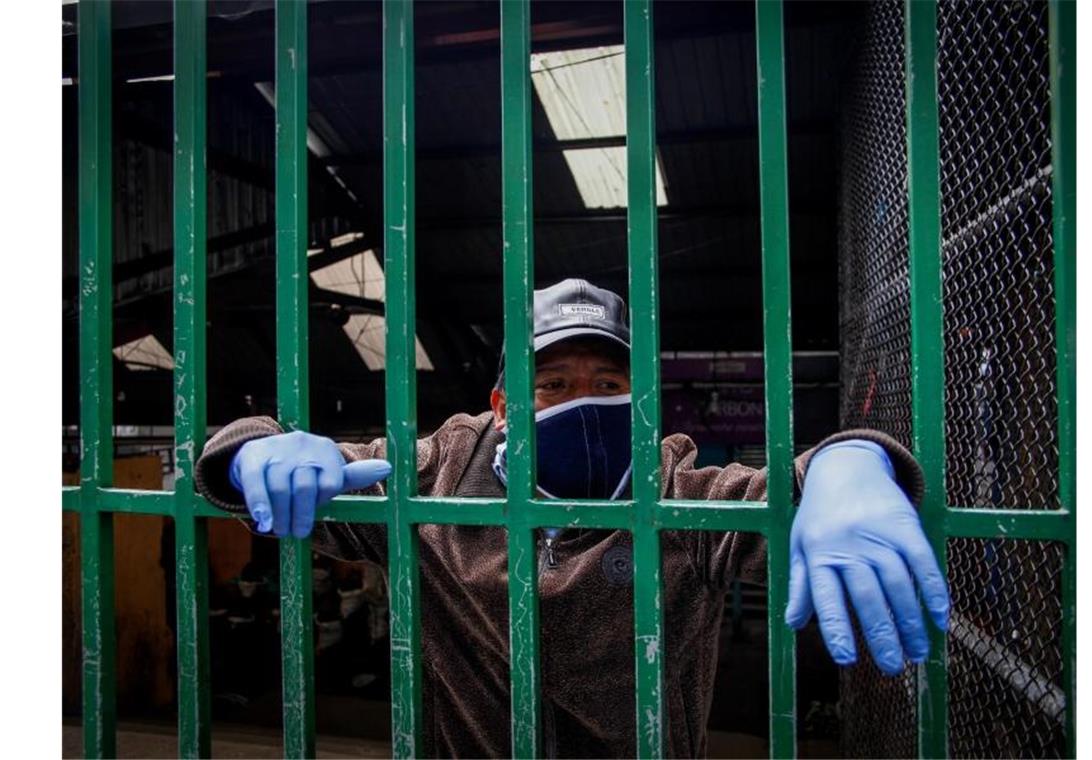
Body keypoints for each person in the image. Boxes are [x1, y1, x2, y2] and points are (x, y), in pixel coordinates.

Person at [195, 278, 950, 757]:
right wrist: (249, 451)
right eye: (551, 381)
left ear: (637, 394)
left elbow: (773, 493)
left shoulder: (676, 491)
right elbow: (259, 475)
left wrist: (851, 460)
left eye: (606, 379)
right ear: (504, 402)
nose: (579, 398)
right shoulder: (439, 472)